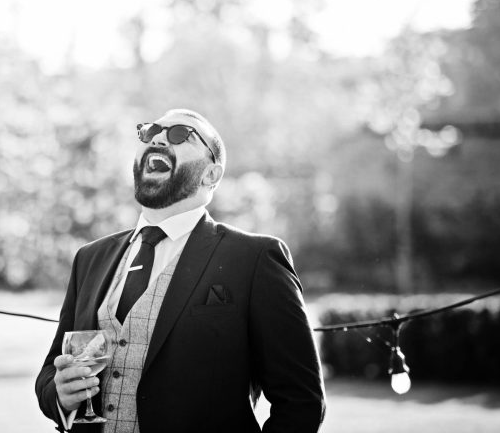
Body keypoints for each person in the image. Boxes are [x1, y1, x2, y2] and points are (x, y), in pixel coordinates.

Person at [35, 109, 326, 432]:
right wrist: (60, 395)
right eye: (150, 132)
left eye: (179, 134)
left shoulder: (256, 259)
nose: (158, 137)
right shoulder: (90, 258)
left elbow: (302, 402)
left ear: (211, 175)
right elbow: (50, 372)